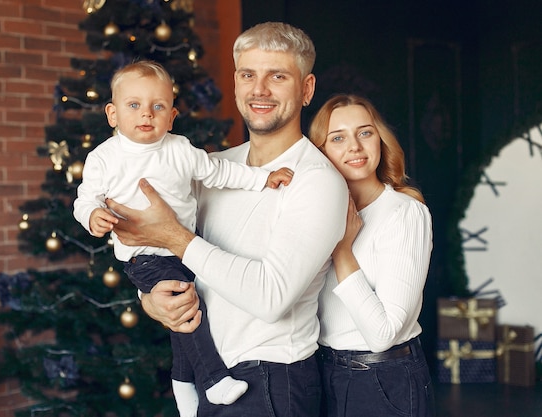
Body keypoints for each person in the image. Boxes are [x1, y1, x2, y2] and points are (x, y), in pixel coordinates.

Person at [105, 23, 348, 417]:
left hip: (272, 383)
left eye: (278, 76)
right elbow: (155, 248)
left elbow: (270, 298)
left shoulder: (318, 182)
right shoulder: (213, 167)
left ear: (306, 89)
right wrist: (150, 301)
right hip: (211, 377)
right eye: (248, 75)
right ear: (236, 84)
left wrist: (177, 239)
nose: (260, 90)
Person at [73, 60, 296, 417]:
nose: (146, 114)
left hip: (182, 246)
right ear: (112, 114)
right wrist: (92, 216)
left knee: (183, 314)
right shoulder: (104, 158)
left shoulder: (179, 149)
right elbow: (85, 199)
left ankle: (181, 380)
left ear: (172, 116)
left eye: (158, 106)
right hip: (143, 255)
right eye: (134, 105)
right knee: (191, 311)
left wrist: (261, 179)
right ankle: (213, 379)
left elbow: (218, 171)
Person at [308, 94, 434, 417]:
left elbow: (383, 335)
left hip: (383, 381)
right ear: (321, 152)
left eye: (365, 133)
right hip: (321, 375)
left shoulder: (405, 214)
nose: (355, 146)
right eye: (338, 138)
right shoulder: (314, 215)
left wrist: (342, 249)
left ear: (380, 140)